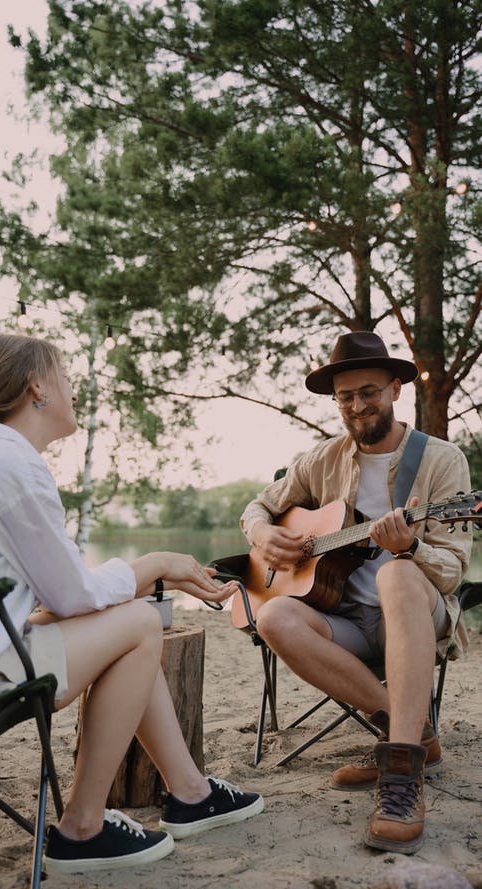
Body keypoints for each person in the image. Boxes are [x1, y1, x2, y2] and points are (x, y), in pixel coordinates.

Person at [0, 333, 264, 876]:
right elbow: (73, 595)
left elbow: (53, 597)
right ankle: (82, 827)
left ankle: (191, 791)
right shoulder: (12, 465)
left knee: (125, 625)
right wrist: (158, 563)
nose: (73, 389)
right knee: (137, 623)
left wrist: (154, 577)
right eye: (64, 377)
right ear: (36, 388)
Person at [240, 331, 472, 855]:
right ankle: (406, 731)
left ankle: (399, 776)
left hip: (415, 616)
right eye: (345, 396)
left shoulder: (441, 460)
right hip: (343, 619)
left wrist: (409, 548)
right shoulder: (320, 459)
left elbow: (455, 568)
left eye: (368, 392)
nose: (357, 405)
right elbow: (257, 506)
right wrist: (261, 534)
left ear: (394, 390)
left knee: (395, 574)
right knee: (275, 617)